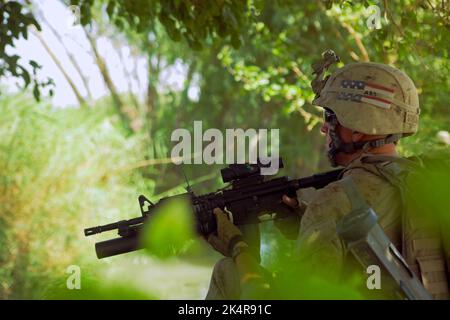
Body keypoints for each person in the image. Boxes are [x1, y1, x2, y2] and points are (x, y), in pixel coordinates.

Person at [205, 57, 449, 300]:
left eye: (330, 118)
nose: (324, 128)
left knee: (227, 273)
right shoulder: (427, 183)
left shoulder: (337, 199)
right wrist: (304, 216)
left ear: (357, 128)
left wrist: (237, 247)